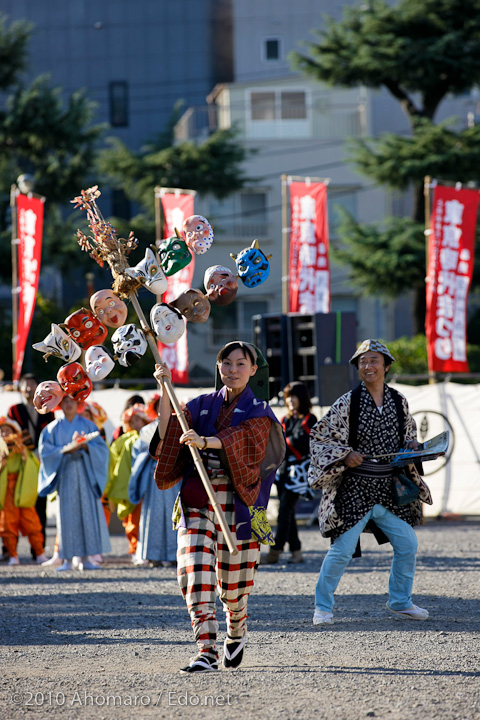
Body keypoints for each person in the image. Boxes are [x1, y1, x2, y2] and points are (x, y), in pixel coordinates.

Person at [150, 341, 285, 673]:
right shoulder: (201, 404)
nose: (233, 370)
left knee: (234, 588)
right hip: (197, 498)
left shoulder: (259, 411)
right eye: (226, 363)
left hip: (239, 503)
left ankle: (236, 626)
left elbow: (247, 440)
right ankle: (206, 649)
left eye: (241, 364)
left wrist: (208, 441)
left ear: (254, 370)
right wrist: (164, 390)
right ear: (218, 368)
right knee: (194, 572)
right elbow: (170, 432)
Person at [308, 339, 433, 625]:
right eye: (362, 362)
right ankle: (322, 608)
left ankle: (400, 601)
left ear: (386, 366)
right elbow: (319, 436)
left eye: (374, 360)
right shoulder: (348, 402)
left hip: (389, 487)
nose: (368, 366)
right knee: (342, 549)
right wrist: (346, 454)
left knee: (408, 543)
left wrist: (414, 447)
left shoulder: (399, 401)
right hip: (355, 487)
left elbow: (407, 437)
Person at [38, 395, 111, 572]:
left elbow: (102, 449)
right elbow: (45, 452)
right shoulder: (52, 428)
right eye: (66, 401)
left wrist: (85, 447)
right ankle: (68, 560)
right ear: (60, 404)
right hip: (66, 474)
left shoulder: (88, 425)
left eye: (72, 401)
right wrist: (65, 449)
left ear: (78, 404)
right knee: (67, 516)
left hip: (85, 473)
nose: (69, 404)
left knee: (87, 513)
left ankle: (86, 558)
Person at [260, 381, 317, 565]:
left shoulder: (310, 419)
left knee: (284, 510)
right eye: (287, 396)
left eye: (294, 396)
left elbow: (301, 442)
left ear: (302, 398)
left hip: (300, 473)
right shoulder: (284, 419)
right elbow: (278, 442)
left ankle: (275, 551)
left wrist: (283, 442)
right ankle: (296, 551)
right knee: (288, 512)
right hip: (283, 471)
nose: (290, 400)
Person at [128, 394, 180, 567]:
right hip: (154, 476)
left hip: (174, 475)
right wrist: (154, 452)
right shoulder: (147, 430)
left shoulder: (181, 427)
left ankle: (176, 554)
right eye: (160, 405)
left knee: (175, 515)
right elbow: (139, 453)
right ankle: (152, 554)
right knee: (153, 515)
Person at [8, 373, 55, 556]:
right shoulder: (15, 410)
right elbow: (11, 434)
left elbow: (51, 436)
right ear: (20, 389)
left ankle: (39, 548)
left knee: (39, 506)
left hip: (41, 463)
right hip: (21, 463)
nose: (28, 389)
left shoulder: (48, 410)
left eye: (32, 385)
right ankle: (9, 549)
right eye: (25, 386)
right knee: (14, 506)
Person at [0, 417, 47, 565]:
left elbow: (34, 467)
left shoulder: (22, 448)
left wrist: (25, 456)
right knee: (8, 524)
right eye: (2, 431)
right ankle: (13, 554)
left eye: (8, 431)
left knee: (31, 522)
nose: (5, 434)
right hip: (6, 490)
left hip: (22, 487)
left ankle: (39, 552)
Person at [106, 404, 150, 561]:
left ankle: (146, 550)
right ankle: (134, 549)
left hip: (148, 485)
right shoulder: (125, 440)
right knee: (131, 520)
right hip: (129, 485)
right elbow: (113, 459)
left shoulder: (150, 437)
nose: (134, 423)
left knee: (146, 519)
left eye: (137, 419)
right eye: (132, 420)